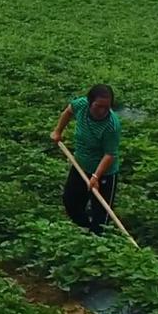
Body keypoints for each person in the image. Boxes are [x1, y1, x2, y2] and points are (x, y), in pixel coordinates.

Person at [51, 84, 121, 236]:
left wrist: (96, 176)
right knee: (71, 202)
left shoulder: (111, 125)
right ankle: (85, 226)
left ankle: (98, 241)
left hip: (105, 173)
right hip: (81, 164)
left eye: (106, 107)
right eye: (98, 106)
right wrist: (58, 131)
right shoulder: (81, 105)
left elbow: (110, 154)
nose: (102, 111)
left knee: (101, 216)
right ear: (90, 102)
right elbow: (69, 111)